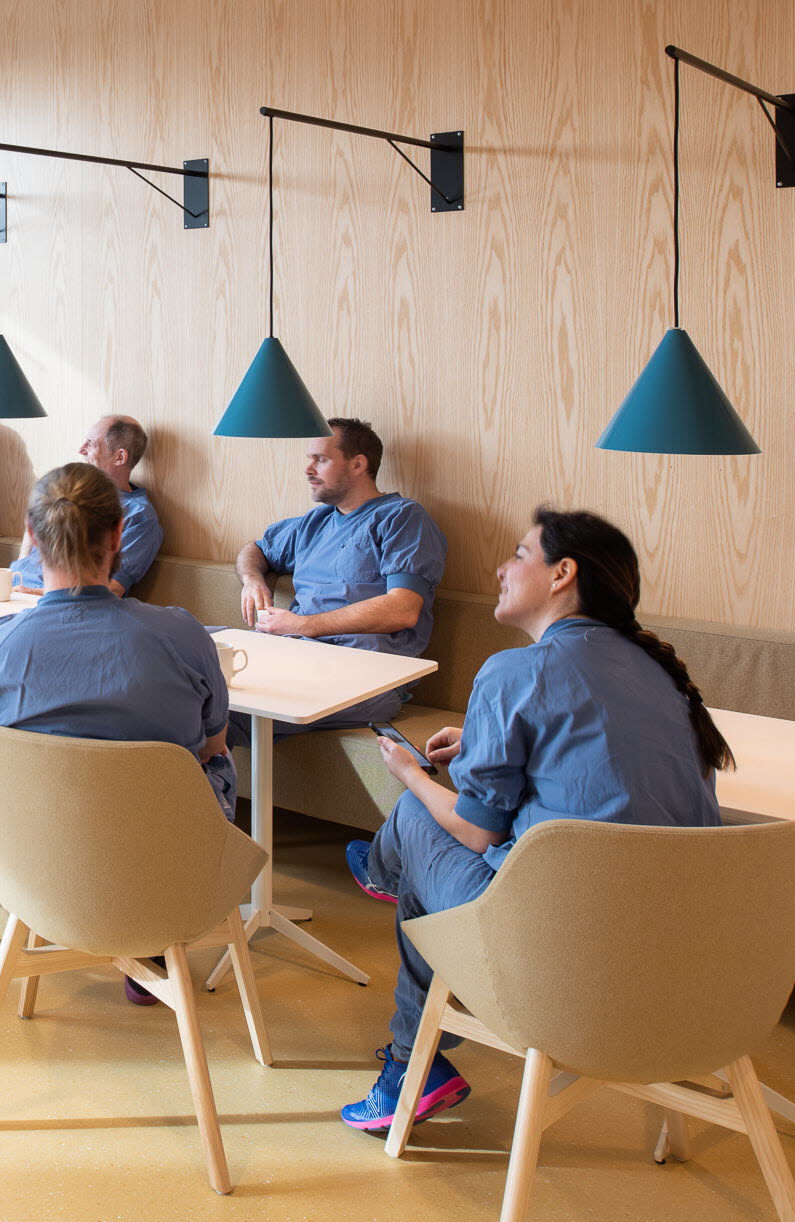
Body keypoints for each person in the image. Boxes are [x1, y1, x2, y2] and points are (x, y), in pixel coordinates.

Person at [338, 508, 730, 1133]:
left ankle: (412, 1054)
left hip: (556, 956)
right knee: (439, 852)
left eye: (519, 554)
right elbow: (606, 772)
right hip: (682, 963)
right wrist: (483, 738)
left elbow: (476, 831)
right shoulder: (666, 680)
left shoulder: (515, 671)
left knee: (419, 816)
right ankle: (410, 1050)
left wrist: (411, 773)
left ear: (562, 574)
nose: (501, 567)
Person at [0, 462, 236, 1005]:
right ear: (118, 535)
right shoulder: (182, 636)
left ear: (31, 532)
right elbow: (213, 745)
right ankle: (151, 946)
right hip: (167, 871)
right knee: (211, 762)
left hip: (36, 870)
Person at [232, 418, 446, 735]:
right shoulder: (314, 523)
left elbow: (403, 609)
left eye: (320, 459)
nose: (308, 469)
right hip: (295, 657)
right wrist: (253, 580)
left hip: (365, 675)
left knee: (216, 714)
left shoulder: (401, 517)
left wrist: (303, 625)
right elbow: (254, 550)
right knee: (190, 660)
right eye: (309, 459)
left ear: (358, 464)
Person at [9, 416, 163, 597]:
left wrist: (38, 595)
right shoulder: (65, 489)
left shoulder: (140, 517)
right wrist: (14, 580)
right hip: (12, 591)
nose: (81, 450)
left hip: (50, 603)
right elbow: (31, 531)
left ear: (120, 457)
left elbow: (112, 589)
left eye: (90, 444)